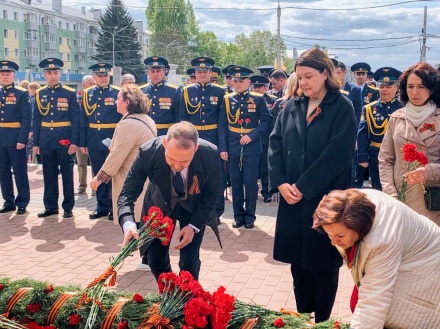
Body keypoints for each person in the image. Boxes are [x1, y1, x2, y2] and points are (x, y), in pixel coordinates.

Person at [268, 47, 357, 322]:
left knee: (323, 266)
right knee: (299, 266)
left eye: (309, 76)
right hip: (292, 200)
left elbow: (337, 154)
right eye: (300, 77)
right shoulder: (291, 105)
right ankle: (303, 320)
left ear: (325, 73)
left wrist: (303, 186)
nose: (303, 82)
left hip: (325, 202)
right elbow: (275, 144)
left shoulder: (341, 106)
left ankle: (323, 322)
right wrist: (281, 182)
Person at [312, 188, 440, 328]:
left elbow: (373, 303)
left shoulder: (381, 239)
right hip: (407, 257)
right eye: (329, 234)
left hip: (427, 271)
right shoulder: (347, 204)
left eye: (340, 236)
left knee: (401, 315)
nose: (333, 242)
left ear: (358, 226)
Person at [118, 121, 222, 281]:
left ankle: (188, 299)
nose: (177, 166)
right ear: (165, 144)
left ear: (196, 149)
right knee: (155, 260)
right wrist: (129, 224)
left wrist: (194, 227)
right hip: (160, 204)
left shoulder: (210, 154)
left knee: (189, 263)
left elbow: (212, 194)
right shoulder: (148, 152)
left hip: (193, 208)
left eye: (184, 162)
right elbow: (127, 193)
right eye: (171, 159)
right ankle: (170, 295)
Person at [379, 62, 440, 225]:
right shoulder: (396, 118)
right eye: (410, 86)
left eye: (421, 86)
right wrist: (390, 193)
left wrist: (430, 171)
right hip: (402, 200)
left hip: (433, 202)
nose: (415, 92)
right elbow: (385, 159)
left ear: (432, 88)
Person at [90, 85, 156, 223]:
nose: (115, 101)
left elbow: (116, 156)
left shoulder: (129, 124)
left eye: (118, 98)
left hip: (132, 181)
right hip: (144, 178)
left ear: (127, 102)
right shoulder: (146, 119)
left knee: (132, 224)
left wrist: (99, 178)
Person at [219, 66, 271, 229]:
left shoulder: (258, 99)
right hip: (233, 145)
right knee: (235, 183)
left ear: (248, 82)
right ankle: (238, 216)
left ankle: (250, 216)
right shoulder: (228, 99)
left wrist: (253, 135)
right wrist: (223, 148)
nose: (238, 83)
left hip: (252, 146)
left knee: (250, 183)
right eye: (235, 81)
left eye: (241, 81)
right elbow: (222, 125)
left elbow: (266, 121)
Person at [180, 57, 226, 225]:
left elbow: (222, 122)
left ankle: (216, 212)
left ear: (210, 72)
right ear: (195, 73)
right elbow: (183, 120)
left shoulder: (220, 92)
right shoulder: (186, 91)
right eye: (199, 71)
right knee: (193, 175)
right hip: (193, 138)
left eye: (205, 71)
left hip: (212, 137)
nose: (202, 74)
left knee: (215, 176)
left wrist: (222, 146)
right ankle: (193, 209)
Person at [33, 58, 80, 218]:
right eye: (49, 73)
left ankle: (68, 206)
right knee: (48, 174)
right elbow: (37, 119)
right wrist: (36, 142)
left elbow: (76, 119)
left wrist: (74, 142)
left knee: (67, 174)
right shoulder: (40, 93)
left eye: (55, 72)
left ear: (60, 73)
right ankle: (51, 206)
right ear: (44, 75)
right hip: (46, 140)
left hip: (64, 139)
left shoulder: (69, 93)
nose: (53, 76)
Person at [357, 67, 402, 190]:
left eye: (388, 87)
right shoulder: (369, 108)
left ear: (396, 88)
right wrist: (362, 157)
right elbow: (362, 134)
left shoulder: (403, 108)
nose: (384, 90)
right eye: (382, 87)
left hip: (398, 154)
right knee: (378, 186)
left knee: (398, 186)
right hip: (376, 154)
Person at [0, 60, 31, 215]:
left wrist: (22, 139)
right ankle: (8, 201)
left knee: (19, 172)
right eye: (2, 74)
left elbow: (27, 119)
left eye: (8, 74)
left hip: (15, 138)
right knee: (3, 171)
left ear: (14, 76)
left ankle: (22, 202)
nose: (5, 77)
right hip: (1, 138)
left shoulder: (21, 93)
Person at [250, 74, 277, 203]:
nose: (256, 89)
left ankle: (266, 192)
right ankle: (252, 192)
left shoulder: (272, 100)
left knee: (265, 167)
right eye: (254, 87)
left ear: (265, 87)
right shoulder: (248, 99)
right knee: (252, 168)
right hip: (251, 138)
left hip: (266, 138)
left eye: (259, 87)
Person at [140, 56, 181, 136]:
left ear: (163, 72)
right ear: (148, 73)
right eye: (152, 71)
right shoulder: (141, 90)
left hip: (166, 134)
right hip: (146, 133)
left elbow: (178, 116)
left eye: (158, 71)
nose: (155, 74)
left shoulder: (174, 90)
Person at [76, 75, 95, 195]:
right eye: (90, 84)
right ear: (83, 85)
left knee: (95, 163)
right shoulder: (77, 99)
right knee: (81, 163)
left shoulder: (96, 98)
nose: (92, 86)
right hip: (79, 135)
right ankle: (82, 185)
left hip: (93, 135)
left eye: (93, 83)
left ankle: (95, 186)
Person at [26, 81, 41, 163]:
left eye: (28, 90)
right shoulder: (40, 98)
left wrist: (30, 130)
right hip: (41, 130)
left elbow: (31, 117)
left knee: (26, 149)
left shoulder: (32, 100)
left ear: (32, 89)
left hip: (32, 130)